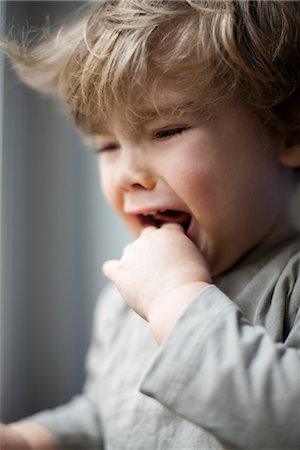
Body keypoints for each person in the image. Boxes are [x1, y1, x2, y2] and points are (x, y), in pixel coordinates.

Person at [1, 0, 300, 449]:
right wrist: (26, 439)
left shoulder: (290, 284)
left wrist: (177, 301)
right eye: (106, 147)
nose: (128, 175)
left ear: (288, 132)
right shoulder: (124, 305)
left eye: (166, 131)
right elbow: (109, 415)